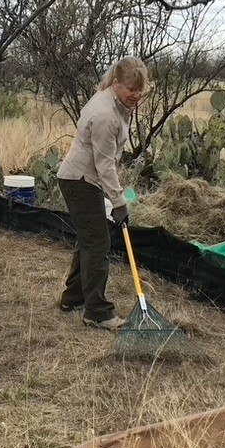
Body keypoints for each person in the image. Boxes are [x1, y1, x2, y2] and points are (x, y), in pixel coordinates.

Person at [56, 56, 149, 330]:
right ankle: (97, 311)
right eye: (132, 90)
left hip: (85, 178)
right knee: (97, 243)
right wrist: (119, 202)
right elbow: (104, 164)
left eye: (140, 90)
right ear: (118, 84)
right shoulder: (105, 114)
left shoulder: (115, 101)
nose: (137, 95)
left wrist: (114, 197)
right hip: (80, 180)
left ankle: (73, 298)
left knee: (89, 239)